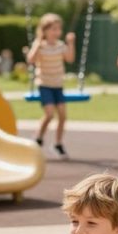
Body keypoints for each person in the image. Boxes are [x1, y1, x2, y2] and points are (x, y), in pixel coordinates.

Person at [26, 13, 76, 159]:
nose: (56, 32)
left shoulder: (61, 46)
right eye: (53, 29)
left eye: (58, 29)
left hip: (58, 84)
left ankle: (58, 144)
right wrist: (36, 43)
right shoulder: (40, 46)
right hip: (44, 85)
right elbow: (30, 60)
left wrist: (71, 43)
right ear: (45, 30)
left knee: (62, 115)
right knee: (49, 114)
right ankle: (38, 137)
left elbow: (70, 59)